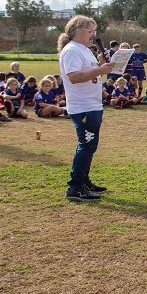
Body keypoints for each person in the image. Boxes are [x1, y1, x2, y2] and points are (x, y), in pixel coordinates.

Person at [58, 14, 114, 202]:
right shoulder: (73, 50)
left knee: (90, 145)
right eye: (89, 31)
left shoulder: (84, 50)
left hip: (91, 103)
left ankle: (83, 180)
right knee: (86, 144)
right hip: (83, 106)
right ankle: (75, 187)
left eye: (94, 31)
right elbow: (74, 76)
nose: (93, 34)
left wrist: (100, 65)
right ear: (76, 32)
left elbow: (89, 74)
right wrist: (100, 70)